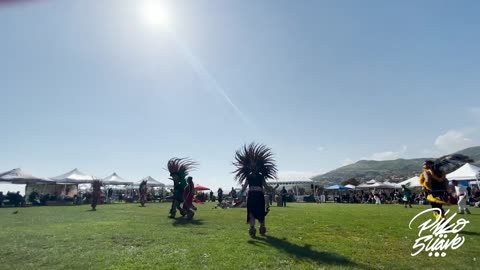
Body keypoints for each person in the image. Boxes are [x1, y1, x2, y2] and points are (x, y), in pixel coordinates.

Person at [233, 142, 278, 238]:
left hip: (252, 196)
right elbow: (266, 188)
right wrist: (273, 189)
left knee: (252, 213)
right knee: (259, 212)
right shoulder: (259, 177)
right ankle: (261, 228)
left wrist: (239, 196)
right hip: (258, 196)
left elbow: (244, 188)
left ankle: (253, 229)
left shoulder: (249, 177)